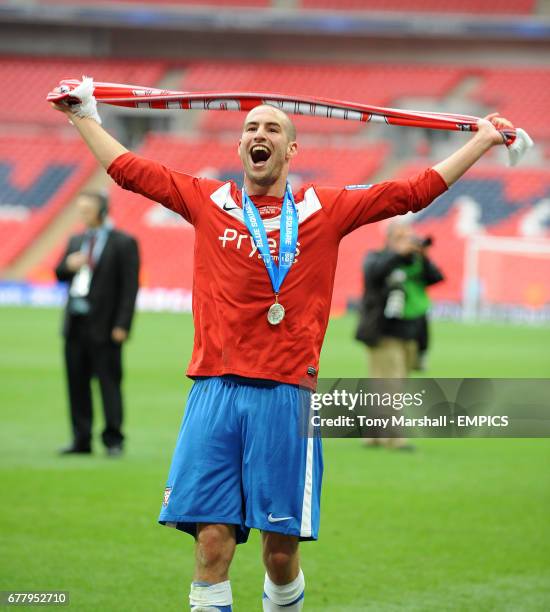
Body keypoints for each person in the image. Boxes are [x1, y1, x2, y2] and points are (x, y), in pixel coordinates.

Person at [50, 81, 512, 610]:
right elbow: (129, 170)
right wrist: (83, 115)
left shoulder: (325, 208)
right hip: (214, 393)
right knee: (211, 546)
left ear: (292, 150)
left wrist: (480, 141)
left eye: (272, 128)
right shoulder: (208, 200)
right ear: (239, 147)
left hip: (286, 398)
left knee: (278, 555)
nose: (259, 134)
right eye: (251, 128)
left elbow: (412, 192)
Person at [55, 191, 139, 456]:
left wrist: (123, 325)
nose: (83, 215)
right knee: (76, 384)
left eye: (87, 210)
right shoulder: (76, 240)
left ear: (102, 211)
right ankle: (81, 440)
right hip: (76, 323)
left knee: (109, 383)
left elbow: (129, 288)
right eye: (80, 210)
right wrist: (68, 265)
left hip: (105, 326)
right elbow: (58, 274)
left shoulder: (124, 242)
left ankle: (113, 439)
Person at [355, 221, 444, 378]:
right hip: (385, 334)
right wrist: (397, 254)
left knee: (398, 387)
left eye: (409, 237)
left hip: (411, 334)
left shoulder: (415, 261)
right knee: (388, 389)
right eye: (400, 238)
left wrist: (424, 257)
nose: (407, 242)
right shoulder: (376, 257)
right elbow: (373, 274)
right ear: (389, 239)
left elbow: (436, 278)